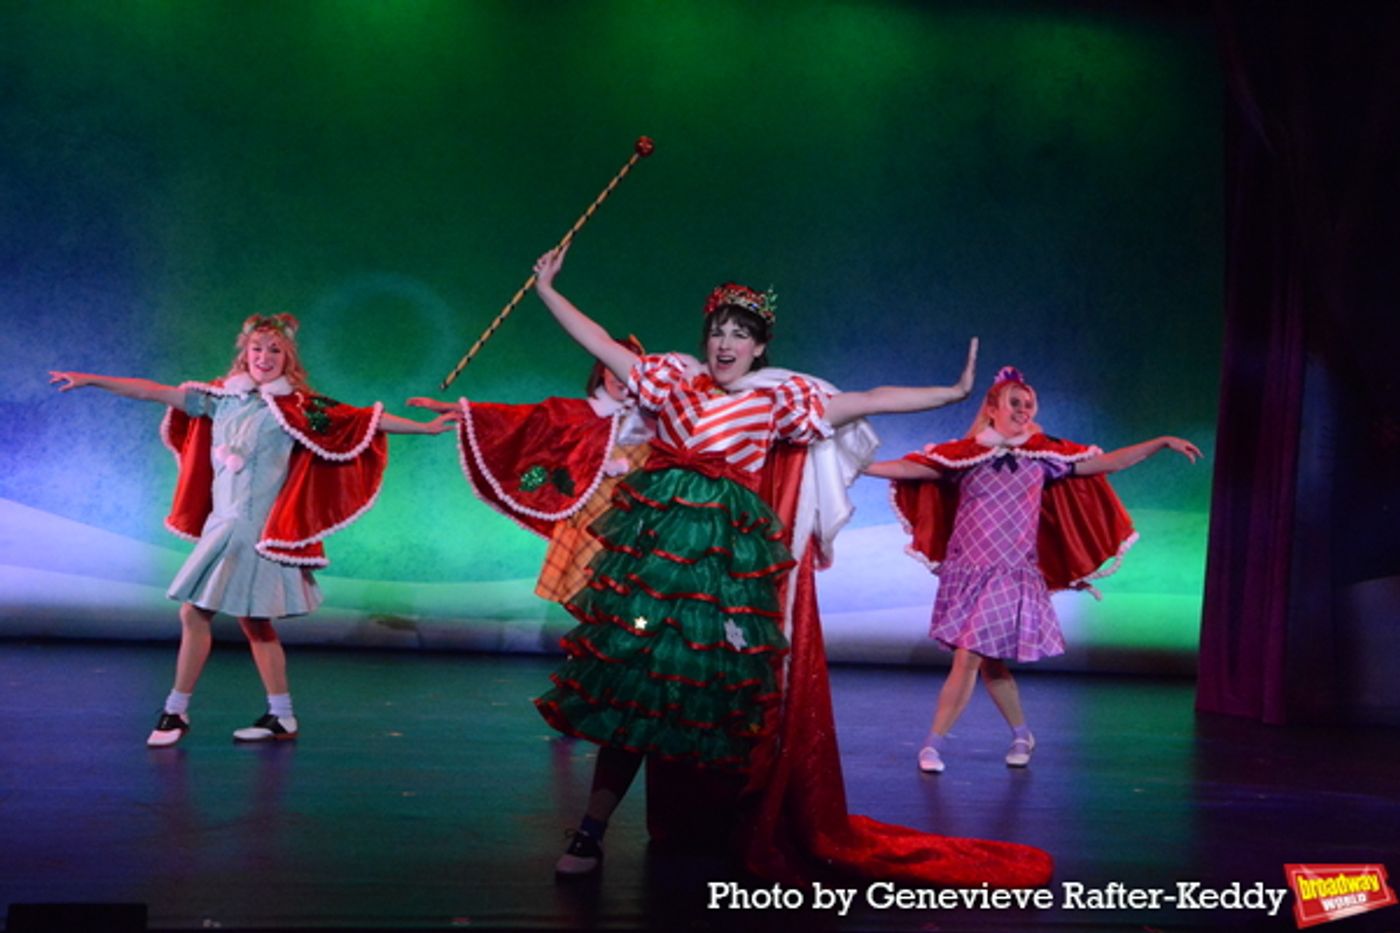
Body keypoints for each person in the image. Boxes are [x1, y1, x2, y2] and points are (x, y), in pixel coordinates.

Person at [526, 245, 1053, 888]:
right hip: (655, 565)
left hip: (720, 576)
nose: (725, 343)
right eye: (718, 331)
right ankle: (592, 829)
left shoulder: (778, 401)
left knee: (715, 698)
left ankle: (724, 827)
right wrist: (548, 291)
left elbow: (869, 399)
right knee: (635, 689)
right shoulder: (670, 379)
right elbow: (606, 346)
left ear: (758, 348)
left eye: (739, 335)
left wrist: (952, 391)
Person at [49, 313, 457, 748]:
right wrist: (90, 379)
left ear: (288, 359)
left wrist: (425, 428)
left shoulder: (296, 408)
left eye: (275, 351)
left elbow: (363, 421)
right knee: (254, 624)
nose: (264, 357)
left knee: (197, 613)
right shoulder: (219, 399)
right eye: (257, 349)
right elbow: (153, 392)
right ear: (244, 353)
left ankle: (175, 711)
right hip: (222, 523)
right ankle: (278, 716)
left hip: (255, 529)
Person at [867, 365, 1202, 774]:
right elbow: (909, 469)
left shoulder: (1044, 457)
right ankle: (1022, 733)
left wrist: (1160, 442)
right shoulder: (965, 456)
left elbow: (1107, 463)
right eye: (1015, 403)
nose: (1024, 410)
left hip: (1010, 574)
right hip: (966, 572)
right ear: (992, 409)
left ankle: (932, 745)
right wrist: (853, 466)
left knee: (969, 656)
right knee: (989, 662)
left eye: (1029, 404)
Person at [407, 336, 653, 606]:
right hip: (591, 520)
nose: (620, 378)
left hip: (640, 521)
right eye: (612, 368)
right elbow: (524, 419)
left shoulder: (654, 421)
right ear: (601, 372)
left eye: (628, 371)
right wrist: (463, 410)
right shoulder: (581, 413)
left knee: (634, 603)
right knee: (591, 600)